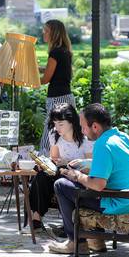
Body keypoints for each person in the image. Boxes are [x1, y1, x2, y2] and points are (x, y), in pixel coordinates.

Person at [48, 103, 129, 255]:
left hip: (119, 203)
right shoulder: (122, 137)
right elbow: (116, 165)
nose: (81, 131)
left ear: (95, 127)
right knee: (77, 185)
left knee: (62, 185)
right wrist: (87, 164)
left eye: (83, 127)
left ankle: (76, 242)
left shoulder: (102, 144)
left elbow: (98, 185)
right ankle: (95, 239)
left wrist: (77, 175)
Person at [27, 103, 93, 229]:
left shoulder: (85, 140)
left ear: (72, 122)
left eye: (61, 124)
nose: (57, 128)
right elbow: (54, 159)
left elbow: (90, 166)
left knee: (61, 181)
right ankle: (36, 217)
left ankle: (69, 223)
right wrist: (45, 163)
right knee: (41, 176)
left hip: (78, 176)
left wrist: (68, 162)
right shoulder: (54, 135)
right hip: (60, 172)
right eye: (55, 123)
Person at [39, 19, 76, 156]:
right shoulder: (64, 51)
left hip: (57, 100)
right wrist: (37, 68)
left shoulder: (55, 53)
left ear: (54, 33)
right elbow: (56, 71)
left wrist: (27, 80)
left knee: (49, 134)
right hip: (67, 97)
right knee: (67, 134)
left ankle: (42, 163)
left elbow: (45, 79)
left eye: (46, 31)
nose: (44, 33)